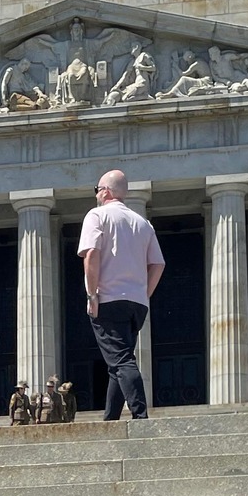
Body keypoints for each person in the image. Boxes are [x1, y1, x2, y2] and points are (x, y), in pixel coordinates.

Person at [78, 170, 165, 420]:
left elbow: (91, 254)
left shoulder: (97, 215)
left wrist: (92, 295)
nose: (96, 194)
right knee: (117, 361)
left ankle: (140, 416)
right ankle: (111, 419)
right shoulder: (143, 223)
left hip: (109, 298)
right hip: (136, 303)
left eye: (97, 189)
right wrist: (144, 294)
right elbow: (158, 264)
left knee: (122, 360)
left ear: (106, 191)